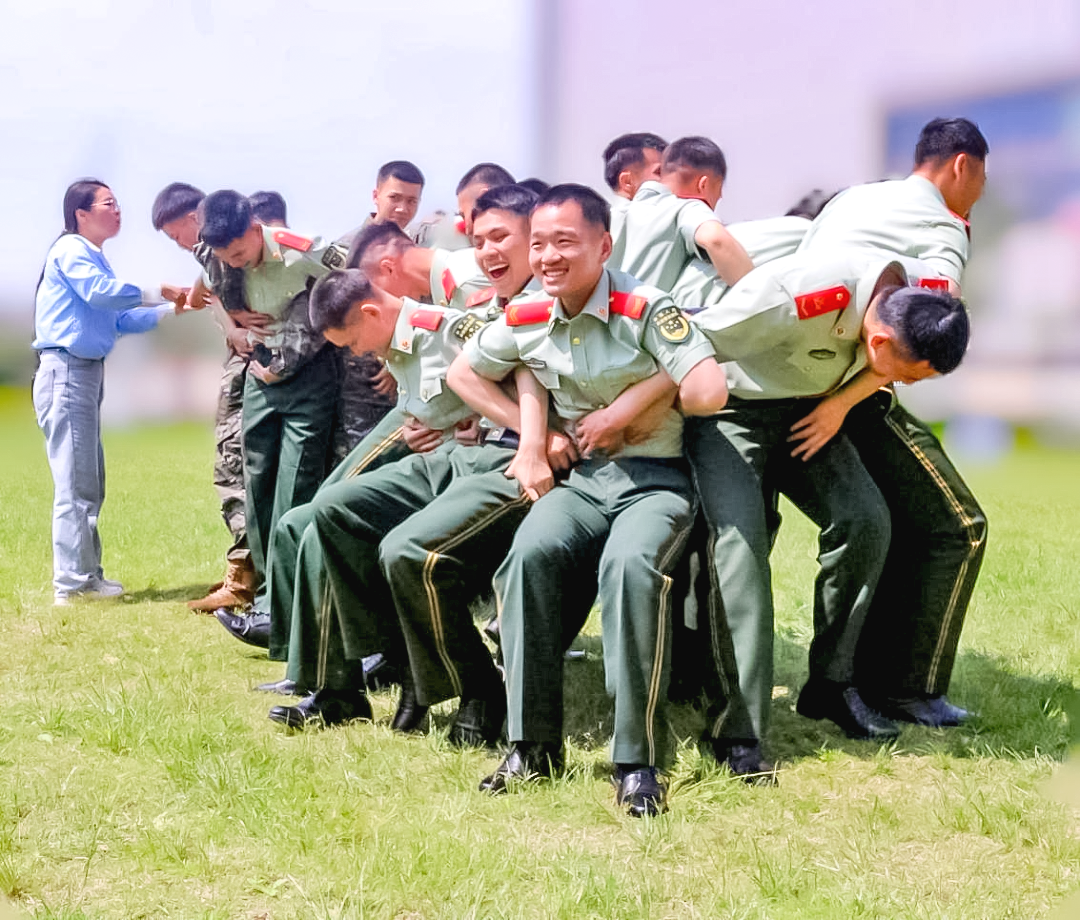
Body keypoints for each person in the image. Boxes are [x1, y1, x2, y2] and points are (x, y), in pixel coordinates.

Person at [456, 184, 729, 817]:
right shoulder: (527, 315)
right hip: (582, 482)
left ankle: (636, 759)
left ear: (603, 246)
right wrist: (539, 436)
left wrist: (631, 405)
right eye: (538, 244)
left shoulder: (645, 308)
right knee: (526, 558)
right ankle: (532, 746)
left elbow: (709, 390)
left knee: (630, 569)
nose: (548, 257)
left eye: (565, 242)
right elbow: (464, 374)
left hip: (654, 481)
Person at [686, 250, 971, 779]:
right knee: (741, 551)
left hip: (806, 410)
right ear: (881, 343)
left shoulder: (911, 301)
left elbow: (882, 364)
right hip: (730, 409)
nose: (906, 385)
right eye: (909, 376)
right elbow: (689, 343)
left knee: (866, 522)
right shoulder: (795, 296)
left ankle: (831, 686)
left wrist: (840, 404)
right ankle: (738, 732)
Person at [795, 117, 990, 727]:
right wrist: (840, 404)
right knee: (958, 527)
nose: (980, 191)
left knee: (895, 522)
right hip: (850, 394)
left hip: (798, 375)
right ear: (962, 165)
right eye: (982, 177)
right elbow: (919, 338)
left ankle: (860, 677)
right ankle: (908, 688)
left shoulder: (855, 198)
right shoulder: (943, 227)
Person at [267, 271, 499, 731]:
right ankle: (338, 688)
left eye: (353, 342)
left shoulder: (449, 331)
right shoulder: (395, 344)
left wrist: (478, 424)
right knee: (319, 521)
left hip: (470, 471)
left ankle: (394, 674)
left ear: (371, 313)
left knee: (329, 523)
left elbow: (518, 383)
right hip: (427, 468)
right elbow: (420, 410)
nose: (357, 354)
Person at [33, 179, 193, 604]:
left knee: (88, 481)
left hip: (84, 374)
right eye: (108, 203)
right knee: (75, 485)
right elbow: (101, 295)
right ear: (81, 214)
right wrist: (158, 290)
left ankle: (86, 577)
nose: (118, 209)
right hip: (67, 371)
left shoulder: (93, 257)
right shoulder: (71, 250)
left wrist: (174, 310)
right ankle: (71, 585)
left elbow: (118, 321)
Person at [199, 189, 341, 606]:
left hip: (308, 377)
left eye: (239, 253)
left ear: (255, 228)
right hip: (260, 374)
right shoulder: (216, 256)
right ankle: (265, 593)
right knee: (256, 479)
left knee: (295, 485)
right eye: (224, 257)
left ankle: (290, 594)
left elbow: (357, 281)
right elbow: (206, 288)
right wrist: (232, 323)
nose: (233, 263)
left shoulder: (305, 250)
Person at [152, 181, 258, 612]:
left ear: (192, 218)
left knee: (233, 464)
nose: (178, 243)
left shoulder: (225, 246)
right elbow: (206, 291)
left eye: (175, 233)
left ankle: (244, 577)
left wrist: (231, 326)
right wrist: (209, 308)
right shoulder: (217, 252)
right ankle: (249, 570)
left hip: (254, 365)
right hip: (250, 360)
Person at [610, 135, 754, 291]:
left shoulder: (613, 213)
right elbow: (716, 240)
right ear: (703, 185)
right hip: (646, 306)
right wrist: (757, 293)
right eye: (716, 194)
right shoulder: (686, 208)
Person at [337, 160, 426, 248]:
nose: (402, 209)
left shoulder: (419, 245)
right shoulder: (347, 248)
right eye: (394, 198)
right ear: (376, 196)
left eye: (411, 201)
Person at [601, 132, 667, 238]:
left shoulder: (596, 223)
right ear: (627, 181)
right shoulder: (660, 223)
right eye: (660, 172)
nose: (672, 180)